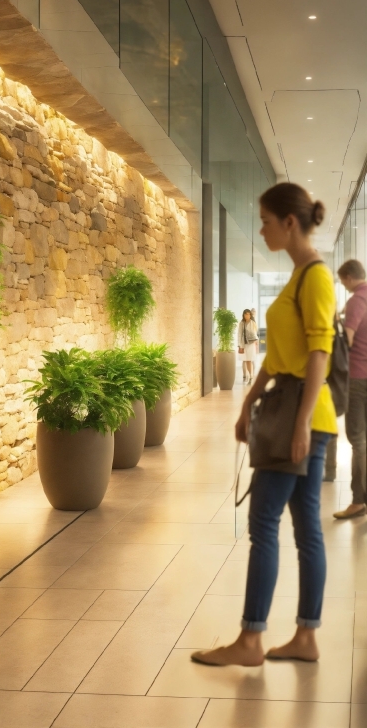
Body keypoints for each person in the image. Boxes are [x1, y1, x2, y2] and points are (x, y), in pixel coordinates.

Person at [192, 183, 336, 667]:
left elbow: (319, 352)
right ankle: (305, 637)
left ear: (289, 223)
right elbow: (279, 357)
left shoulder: (314, 276)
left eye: (266, 220)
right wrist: (248, 400)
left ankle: (251, 640)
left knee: (263, 523)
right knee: (304, 531)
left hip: (304, 419)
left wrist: (299, 426)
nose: (262, 228)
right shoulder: (299, 276)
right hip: (299, 415)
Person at [333, 259, 367, 518]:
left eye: (343, 281)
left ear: (349, 277)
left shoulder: (357, 300)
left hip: (356, 378)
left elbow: (349, 339)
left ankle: (358, 500)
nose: (343, 285)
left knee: (357, 440)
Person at [238, 309, 258, 383]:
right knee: (245, 360)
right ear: (243, 315)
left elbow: (254, 333)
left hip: (251, 343)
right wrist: (239, 344)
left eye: (248, 314)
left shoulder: (252, 323)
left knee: (249, 359)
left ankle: (251, 376)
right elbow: (239, 334)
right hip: (243, 344)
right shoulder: (241, 323)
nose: (247, 316)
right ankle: (248, 375)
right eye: (246, 314)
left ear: (250, 315)